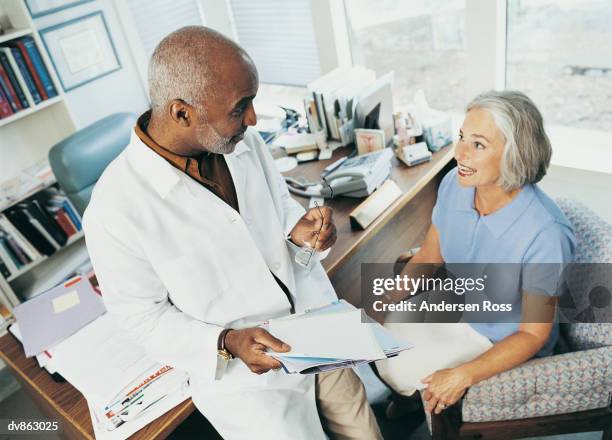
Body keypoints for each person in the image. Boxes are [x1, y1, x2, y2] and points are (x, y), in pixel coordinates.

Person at [83, 26, 381, 440]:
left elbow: (281, 223)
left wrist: (303, 239)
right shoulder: (115, 209)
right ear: (182, 112)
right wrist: (226, 342)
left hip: (318, 331)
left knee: (362, 430)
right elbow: (141, 319)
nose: (254, 120)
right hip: (249, 381)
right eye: (241, 108)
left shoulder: (244, 143)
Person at [375, 90, 576, 416]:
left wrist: (462, 374)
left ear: (515, 154)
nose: (459, 153)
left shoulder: (546, 234)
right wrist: (386, 301)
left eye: (478, 144)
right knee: (382, 339)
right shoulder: (455, 184)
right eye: (461, 137)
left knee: (405, 364)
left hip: (503, 338)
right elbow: (429, 256)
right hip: (464, 304)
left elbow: (532, 333)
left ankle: (416, 400)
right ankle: (409, 399)